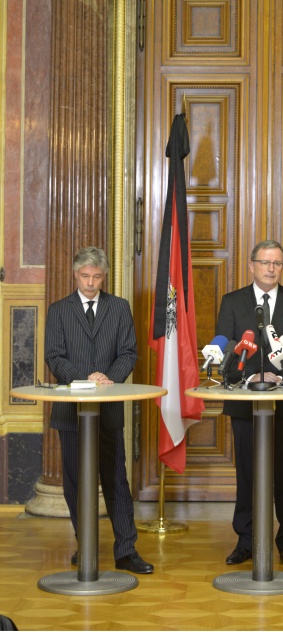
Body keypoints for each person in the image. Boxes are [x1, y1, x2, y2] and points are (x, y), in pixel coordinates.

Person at [44, 246, 153, 575]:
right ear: (75, 275)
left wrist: (106, 379)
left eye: (96, 277)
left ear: (104, 277)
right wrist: (85, 380)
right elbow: (54, 356)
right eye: (85, 276)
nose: (90, 283)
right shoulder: (59, 310)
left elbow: (128, 352)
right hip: (71, 411)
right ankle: (86, 545)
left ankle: (126, 551)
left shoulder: (119, 308)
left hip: (108, 408)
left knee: (116, 479)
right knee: (76, 482)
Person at [215, 240, 283, 567]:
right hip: (245, 402)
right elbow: (227, 354)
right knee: (247, 474)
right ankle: (246, 541)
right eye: (264, 262)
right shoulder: (232, 302)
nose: (271, 269)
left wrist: (281, 377)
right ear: (252, 265)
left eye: (276, 263)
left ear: (282, 267)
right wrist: (251, 376)